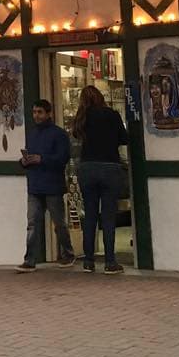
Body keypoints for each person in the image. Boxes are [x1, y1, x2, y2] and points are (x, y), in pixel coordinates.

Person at [72, 85, 129, 275]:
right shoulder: (111, 115)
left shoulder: (82, 118)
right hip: (109, 166)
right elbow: (124, 138)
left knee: (90, 215)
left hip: (87, 167)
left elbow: (76, 136)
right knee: (108, 215)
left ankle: (88, 260)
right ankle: (110, 261)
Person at [15, 99, 74, 272]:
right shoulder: (32, 134)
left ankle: (68, 253)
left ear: (49, 114)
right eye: (34, 112)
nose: (36, 116)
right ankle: (30, 259)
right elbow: (31, 157)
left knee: (59, 223)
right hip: (35, 184)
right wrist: (24, 161)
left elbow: (63, 158)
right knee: (32, 223)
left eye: (40, 112)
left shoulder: (59, 134)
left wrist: (43, 159)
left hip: (52, 184)